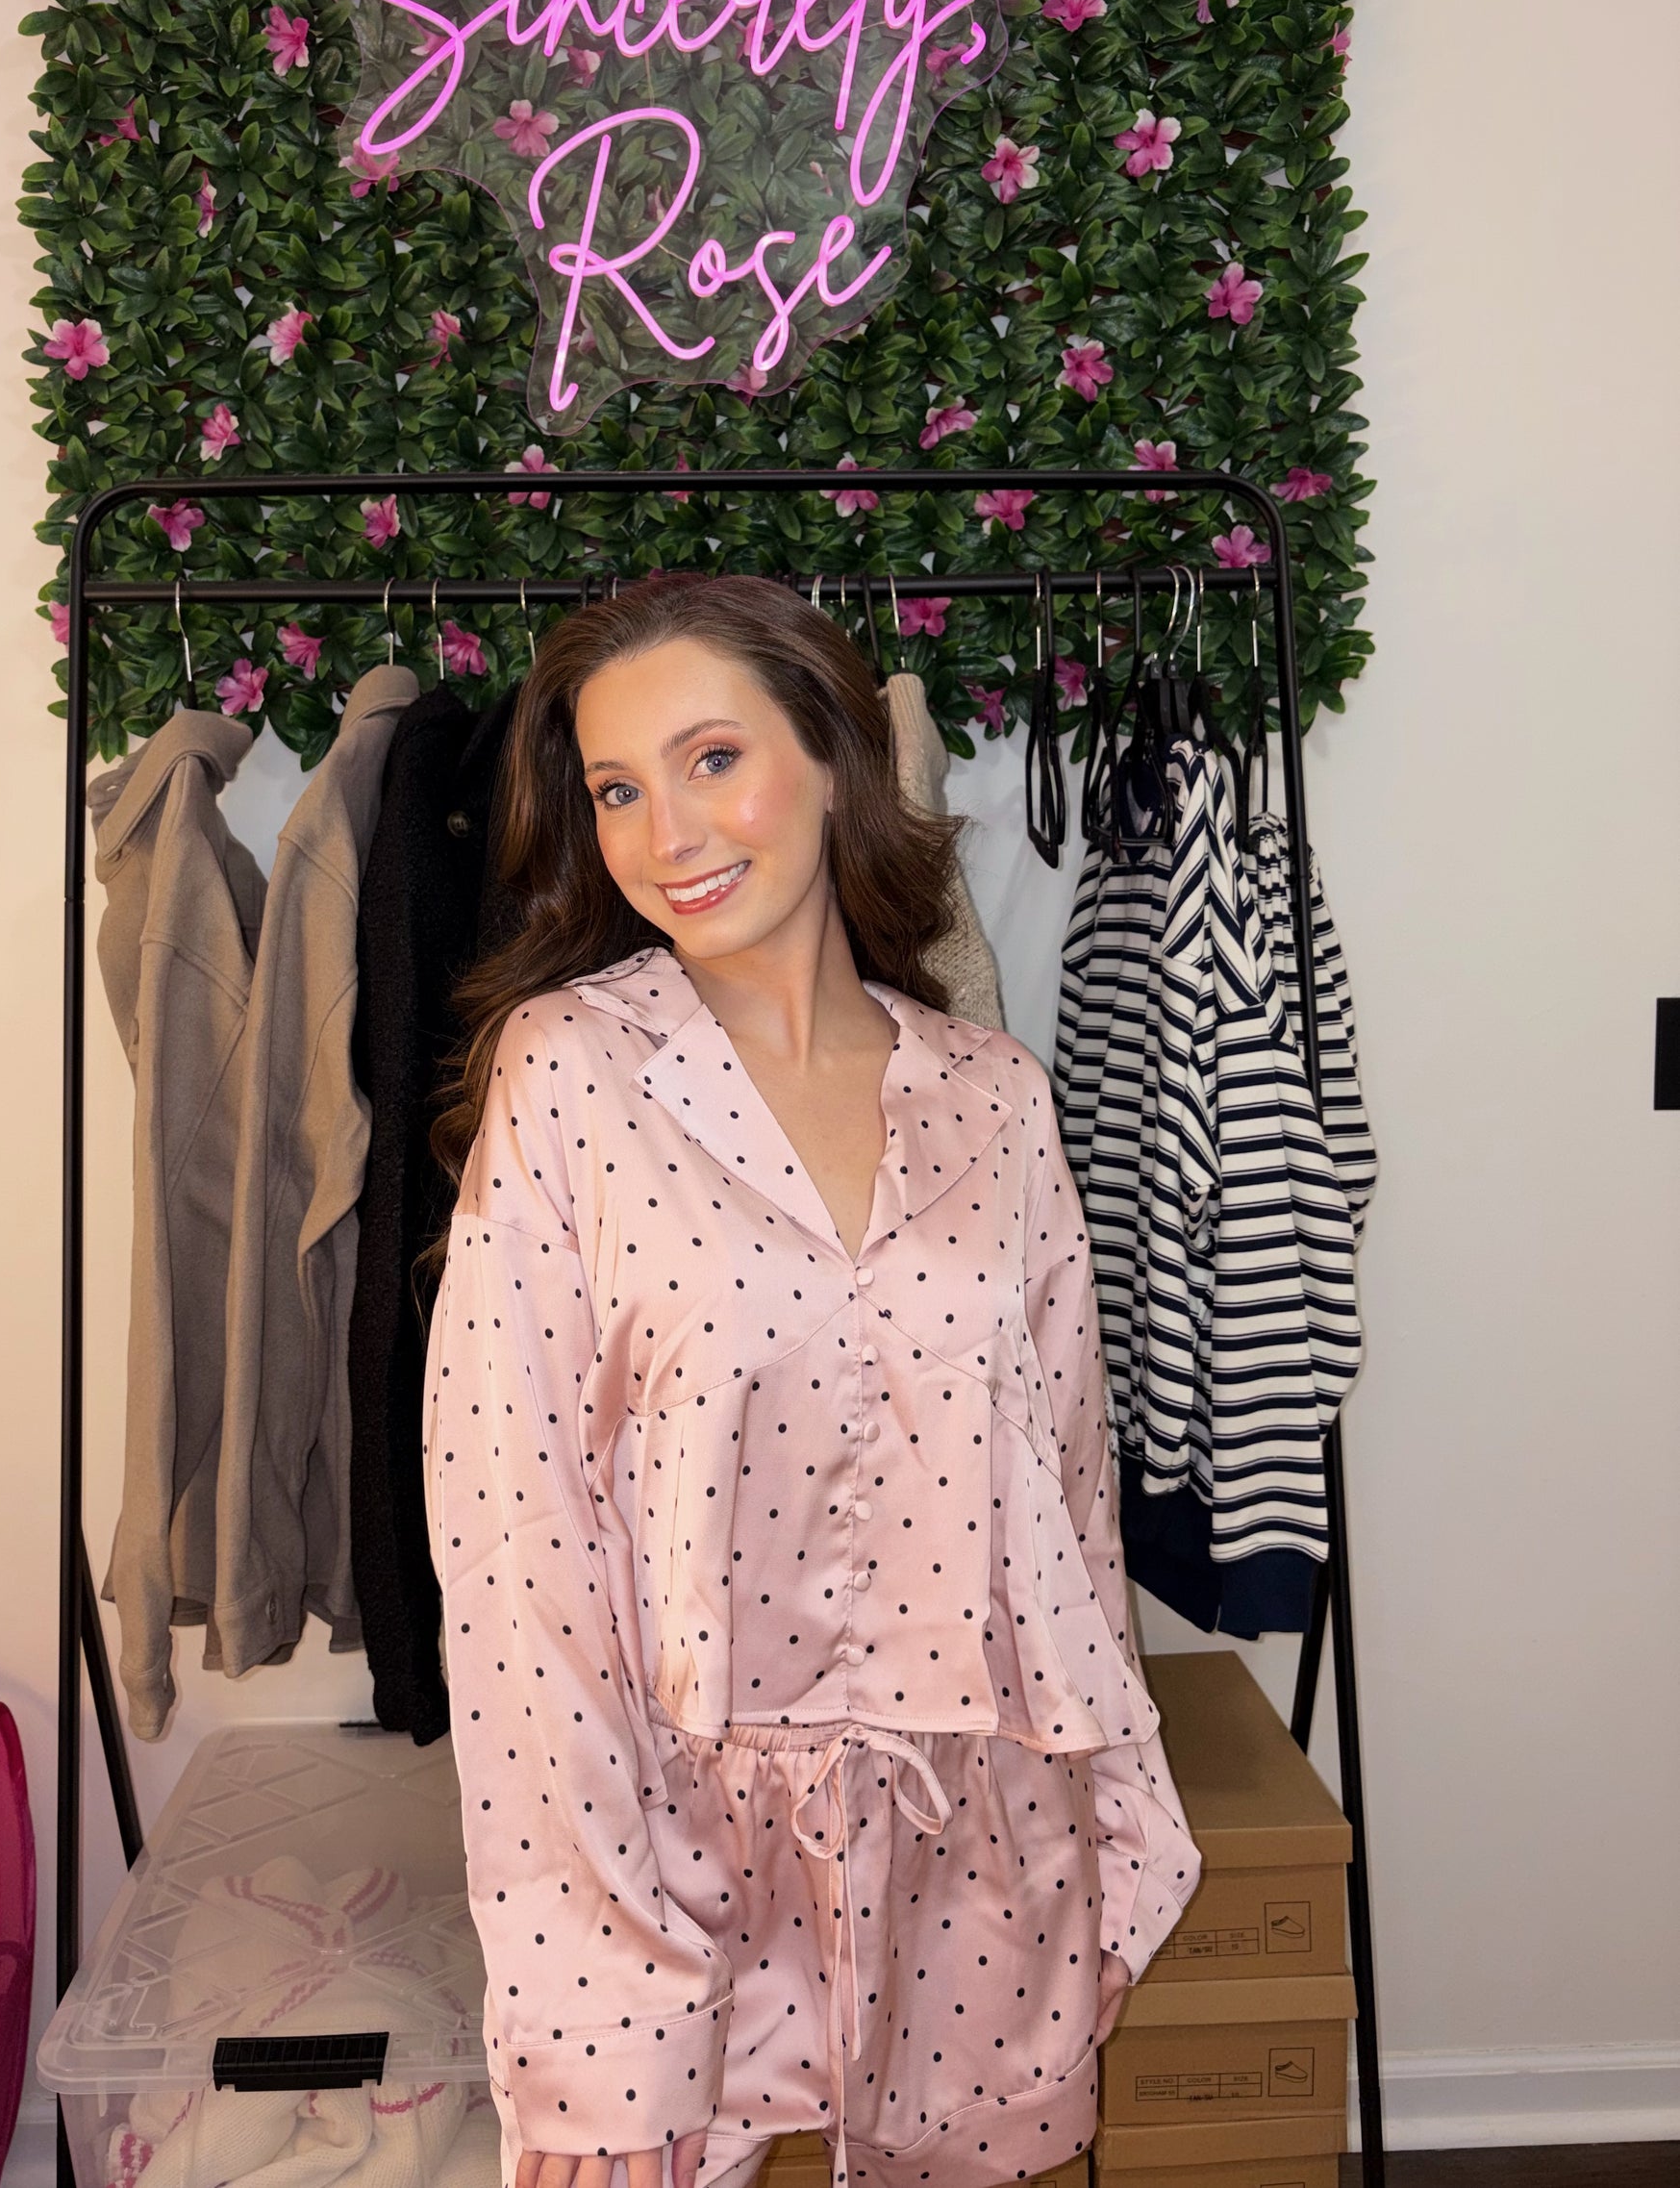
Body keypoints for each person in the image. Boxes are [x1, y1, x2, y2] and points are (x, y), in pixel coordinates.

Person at [422, 576, 1199, 2188]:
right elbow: (514, 1567)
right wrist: (590, 2006)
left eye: (711, 760)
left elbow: (1067, 1512)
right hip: (668, 1861)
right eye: (615, 790)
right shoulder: (569, 1076)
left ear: (835, 760)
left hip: (978, 1842)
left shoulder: (994, 1096)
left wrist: (1119, 1835)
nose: (663, 835)